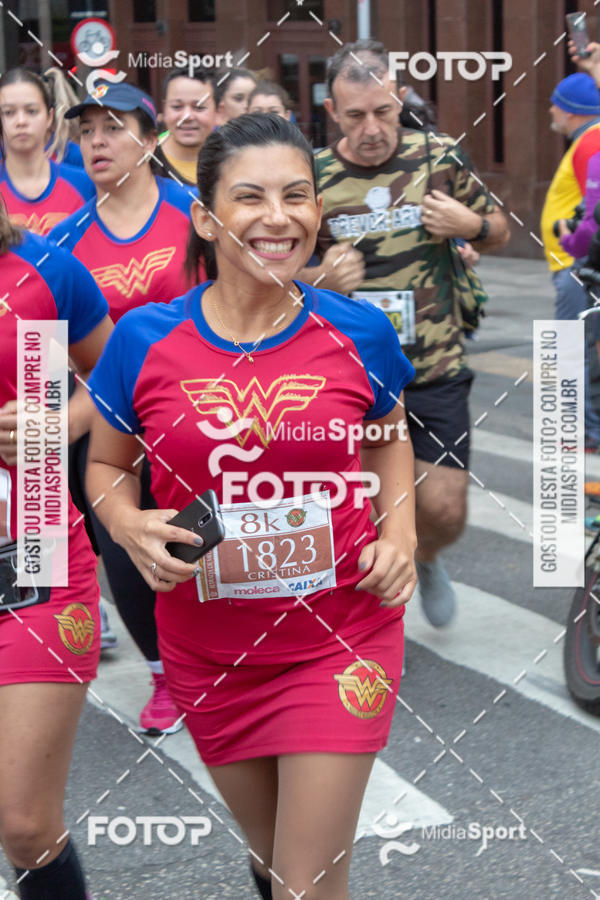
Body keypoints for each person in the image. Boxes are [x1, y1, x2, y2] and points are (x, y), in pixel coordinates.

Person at [86, 112, 416, 900]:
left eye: (297, 196)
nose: (278, 217)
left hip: (342, 631)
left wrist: (399, 531)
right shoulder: (145, 339)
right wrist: (127, 523)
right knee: (273, 864)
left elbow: (390, 437)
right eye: (251, 197)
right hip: (210, 649)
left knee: (306, 883)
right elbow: (105, 464)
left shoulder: (359, 332)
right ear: (206, 216)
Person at [300, 40, 510, 627]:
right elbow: (278, 272)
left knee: (445, 508)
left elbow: (500, 231)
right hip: (350, 374)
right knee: (362, 507)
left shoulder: (439, 157)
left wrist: (471, 224)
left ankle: (428, 553)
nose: (371, 129)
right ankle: (369, 624)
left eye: (383, 112)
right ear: (332, 111)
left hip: (434, 366)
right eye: (355, 115)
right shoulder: (314, 176)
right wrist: (322, 276)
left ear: (400, 101)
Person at [49, 80, 201, 734]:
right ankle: (164, 673)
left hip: (199, 405)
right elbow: (52, 352)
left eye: (113, 127)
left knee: (203, 540)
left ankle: (225, 657)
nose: (98, 141)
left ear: (150, 137)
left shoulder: (194, 212)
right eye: (87, 131)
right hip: (108, 420)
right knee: (125, 548)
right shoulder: (65, 237)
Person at [0, 205, 112, 899]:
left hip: (35, 548)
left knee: (24, 822)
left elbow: (119, 378)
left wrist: (54, 422)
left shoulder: (43, 271)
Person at [540, 72, 600, 452]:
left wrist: (572, 242)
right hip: (574, 266)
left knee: (571, 347)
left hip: (575, 267)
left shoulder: (588, 144)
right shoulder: (586, 141)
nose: (551, 109)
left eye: (555, 102)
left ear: (572, 110)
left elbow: (593, 215)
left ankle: (585, 432)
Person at [0, 68, 94, 236]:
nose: (21, 121)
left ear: (50, 117)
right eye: (8, 113)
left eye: (31, 111)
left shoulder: (86, 185)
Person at [154, 66, 218, 187]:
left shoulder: (233, 158)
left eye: (199, 107)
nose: (187, 116)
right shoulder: (145, 161)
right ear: (164, 108)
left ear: (218, 111)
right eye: (177, 107)